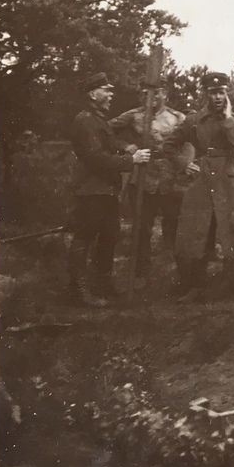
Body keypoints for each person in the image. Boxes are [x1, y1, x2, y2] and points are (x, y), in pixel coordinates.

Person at [167, 72, 234, 303]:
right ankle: (195, 286)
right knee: (198, 231)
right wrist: (184, 164)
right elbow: (169, 144)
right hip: (202, 180)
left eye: (222, 92)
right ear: (206, 94)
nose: (218, 96)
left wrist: (228, 118)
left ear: (227, 93)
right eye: (213, 92)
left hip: (229, 178)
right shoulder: (193, 120)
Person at [67, 72, 150, 307]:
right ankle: (78, 290)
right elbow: (95, 158)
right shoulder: (85, 121)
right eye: (107, 90)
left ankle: (102, 284)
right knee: (84, 238)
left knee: (109, 237)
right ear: (94, 94)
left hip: (106, 191)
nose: (111, 94)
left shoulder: (98, 119)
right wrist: (131, 160)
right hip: (91, 191)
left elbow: (110, 147)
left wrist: (125, 149)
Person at [109, 79, 186, 280]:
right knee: (142, 228)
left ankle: (181, 273)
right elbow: (105, 130)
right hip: (143, 177)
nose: (150, 97)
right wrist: (125, 146)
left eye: (156, 93)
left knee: (177, 223)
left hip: (171, 178)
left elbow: (191, 140)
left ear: (165, 95)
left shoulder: (177, 118)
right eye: (144, 93)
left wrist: (187, 163)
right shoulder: (133, 116)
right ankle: (142, 273)